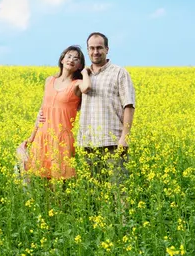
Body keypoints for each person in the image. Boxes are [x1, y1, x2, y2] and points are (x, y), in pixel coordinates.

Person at [21, 45, 90, 180]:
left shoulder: (77, 84)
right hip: (43, 135)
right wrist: (31, 137)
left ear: (79, 65)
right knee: (39, 179)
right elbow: (42, 110)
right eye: (69, 56)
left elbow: (87, 87)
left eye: (76, 59)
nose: (71, 60)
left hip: (61, 139)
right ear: (62, 59)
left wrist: (85, 72)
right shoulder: (49, 80)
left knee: (59, 183)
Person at [77, 32, 136, 180]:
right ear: (87, 50)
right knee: (93, 193)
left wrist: (125, 138)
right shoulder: (83, 75)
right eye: (91, 48)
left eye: (99, 48)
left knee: (119, 190)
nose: (95, 52)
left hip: (112, 143)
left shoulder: (119, 73)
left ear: (107, 49)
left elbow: (129, 106)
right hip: (87, 143)